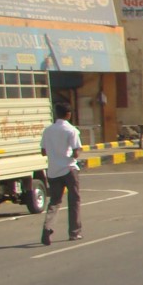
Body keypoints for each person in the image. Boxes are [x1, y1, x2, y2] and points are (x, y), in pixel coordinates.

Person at [40, 102, 83, 244]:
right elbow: (76, 153)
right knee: (74, 201)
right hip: (69, 169)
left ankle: (47, 227)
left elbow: (43, 151)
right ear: (69, 114)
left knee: (54, 202)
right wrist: (69, 154)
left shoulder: (48, 130)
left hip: (53, 171)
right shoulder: (72, 130)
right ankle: (74, 232)